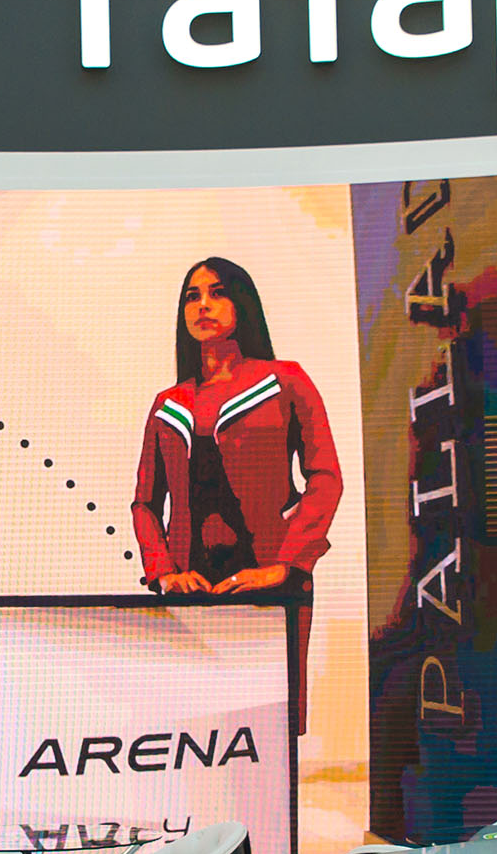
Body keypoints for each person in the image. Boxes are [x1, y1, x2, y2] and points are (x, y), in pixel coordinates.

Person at [131, 257, 344, 731]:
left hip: (271, 583)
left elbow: (325, 476)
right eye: (192, 296)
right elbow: (145, 503)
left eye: (217, 292)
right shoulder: (168, 404)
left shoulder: (285, 380)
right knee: (193, 727)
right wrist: (164, 572)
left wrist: (286, 564)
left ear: (241, 302)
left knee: (270, 728)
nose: (203, 305)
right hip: (192, 590)